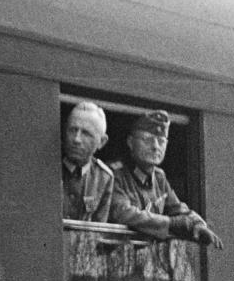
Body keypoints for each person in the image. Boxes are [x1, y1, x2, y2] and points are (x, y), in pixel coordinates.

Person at [109, 109, 223, 248]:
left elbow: (178, 209)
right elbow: (123, 214)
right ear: (131, 142)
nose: (155, 147)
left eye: (161, 141)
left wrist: (197, 224)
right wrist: (171, 223)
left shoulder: (159, 177)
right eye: (148, 139)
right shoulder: (114, 174)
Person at [61, 100, 115, 222]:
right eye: (73, 130)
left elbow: (98, 230)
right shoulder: (45, 166)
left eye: (86, 133)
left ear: (101, 142)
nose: (76, 139)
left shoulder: (104, 177)